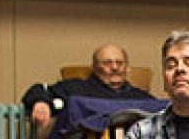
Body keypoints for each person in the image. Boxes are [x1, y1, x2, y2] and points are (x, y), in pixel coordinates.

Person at [20, 42, 153, 130]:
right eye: (107, 63)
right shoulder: (76, 89)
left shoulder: (141, 97)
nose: (114, 68)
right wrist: (41, 102)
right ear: (95, 67)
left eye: (119, 63)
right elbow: (38, 90)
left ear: (126, 67)